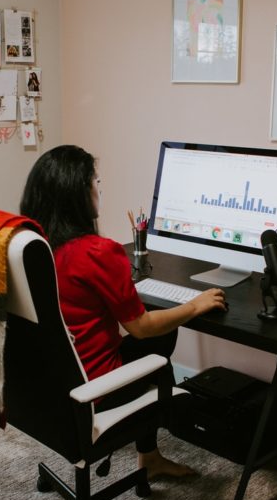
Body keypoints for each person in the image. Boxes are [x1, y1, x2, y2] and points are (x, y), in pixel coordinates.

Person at [20, 145, 226, 479]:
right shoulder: (97, 253)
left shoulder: (31, 247)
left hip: (47, 386)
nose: (98, 189)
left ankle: (150, 456)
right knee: (161, 337)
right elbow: (142, 328)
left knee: (154, 333)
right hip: (94, 389)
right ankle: (154, 445)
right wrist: (193, 305)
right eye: (94, 181)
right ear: (78, 194)